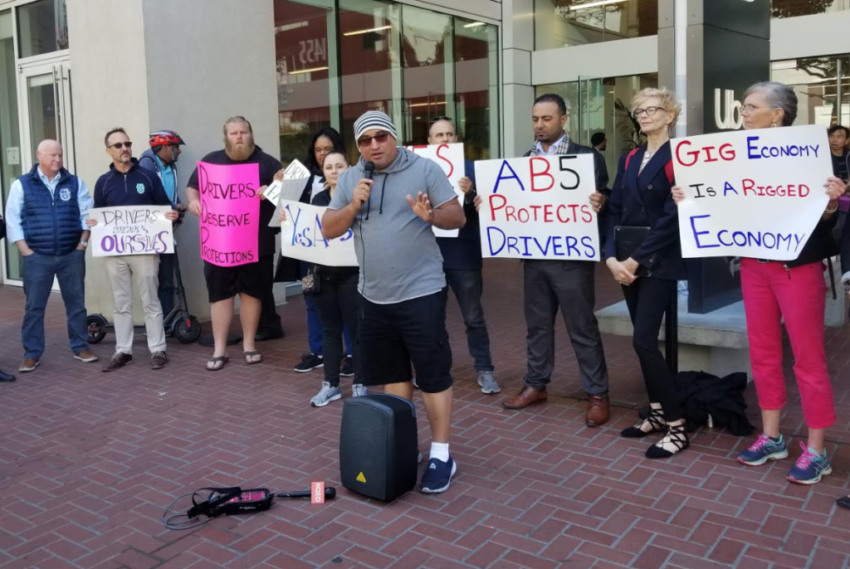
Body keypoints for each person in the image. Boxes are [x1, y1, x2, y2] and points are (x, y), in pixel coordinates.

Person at [673, 82, 845, 484]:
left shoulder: (811, 157)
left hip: (797, 269)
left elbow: (824, 220)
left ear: (777, 114)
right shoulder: (734, 157)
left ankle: (817, 450)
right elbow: (721, 200)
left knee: (807, 358)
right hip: (754, 266)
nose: (744, 113)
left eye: (751, 107)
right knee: (763, 353)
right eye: (743, 107)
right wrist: (690, 197)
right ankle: (772, 436)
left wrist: (831, 205)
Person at [321, 111, 466, 493]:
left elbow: (458, 216)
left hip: (422, 292)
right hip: (373, 295)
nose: (374, 145)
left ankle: (441, 455)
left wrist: (431, 215)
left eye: (380, 137)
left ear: (393, 137)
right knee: (394, 375)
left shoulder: (424, 169)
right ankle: (404, 443)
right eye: (365, 140)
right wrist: (353, 205)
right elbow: (328, 228)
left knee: (432, 375)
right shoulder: (351, 178)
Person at [499, 93, 612, 429]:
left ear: (564, 119)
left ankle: (598, 394)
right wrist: (488, 205)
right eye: (535, 119)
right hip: (535, 258)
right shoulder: (524, 160)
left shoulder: (587, 157)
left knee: (582, 327)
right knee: (537, 326)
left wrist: (601, 201)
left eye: (547, 119)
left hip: (572, 259)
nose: (539, 125)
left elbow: (607, 196)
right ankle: (536, 384)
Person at [606, 88, 688, 459]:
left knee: (643, 341)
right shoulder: (629, 158)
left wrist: (635, 260)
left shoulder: (681, 156)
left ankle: (676, 426)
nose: (644, 115)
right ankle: (655, 412)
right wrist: (611, 257)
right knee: (643, 341)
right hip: (627, 262)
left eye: (652, 109)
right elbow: (616, 209)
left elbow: (673, 218)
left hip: (658, 262)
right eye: (639, 110)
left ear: (670, 115)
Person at [186, 116, 281, 371]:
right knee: (220, 295)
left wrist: (272, 189)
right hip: (220, 244)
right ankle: (220, 349)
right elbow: (193, 187)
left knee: (252, 294)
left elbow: (287, 190)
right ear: (226, 137)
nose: (239, 136)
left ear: (251, 134)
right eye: (233, 133)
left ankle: (249, 344)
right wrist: (194, 201)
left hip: (257, 242)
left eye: (243, 132)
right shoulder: (211, 161)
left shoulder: (268, 162)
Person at [280, 150, 366, 406]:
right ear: (324, 173)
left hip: (352, 275)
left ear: (349, 169)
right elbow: (305, 230)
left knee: (356, 331)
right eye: (329, 167)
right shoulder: (317, 199)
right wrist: (288, 220)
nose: (334, 171)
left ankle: (361, 383)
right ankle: (330, 384)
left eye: (340, 166)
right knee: (330, 331)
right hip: (322, 276)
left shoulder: (357, 198)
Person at [88, 128, 178, 372]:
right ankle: (123, 351)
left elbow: (164, 206)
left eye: (127, 143)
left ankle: (157, 348)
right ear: (109, 151)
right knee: (121, 302)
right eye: (118, 145)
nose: (124, 148)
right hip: (115, 253)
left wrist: (170, 215)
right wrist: (94, 222)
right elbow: (99, 212)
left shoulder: (148, 176)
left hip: (145, 250)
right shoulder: (103, 182)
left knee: (151, 300)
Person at [5, 139, 97, 374]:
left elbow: (87, 215)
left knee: (76, 304)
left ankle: (80, 347)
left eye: (60, 155)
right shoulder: (22, 184)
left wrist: (82, 244)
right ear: (39, 155)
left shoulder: (75, 183)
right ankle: (32, 353)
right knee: (34, 307)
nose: (57, 159)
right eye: (52, 155)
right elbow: (12, 219)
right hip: (37, 257)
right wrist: (25, 251)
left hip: (71, 254)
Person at [427, 116, 499, 394]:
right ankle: (436, 369)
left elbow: (488, 209)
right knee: (432, 318)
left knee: (473, 316)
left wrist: (471, 194)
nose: (444, 139)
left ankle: (485, 369)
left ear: (456, 138)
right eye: (439, 135)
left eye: (449, 134)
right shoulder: (419, 169)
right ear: (430, 141)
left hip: (464, 255)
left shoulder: (472, 170)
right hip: (430, 255)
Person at [275, 127, 353, 374]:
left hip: (344, 254)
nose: (323, 154)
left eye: (328, 149)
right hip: (309, 254)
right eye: (318, 150)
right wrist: (281, 198)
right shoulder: (301, 178)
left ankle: (352, 354)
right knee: (312, 300)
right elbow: (287, 209)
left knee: (348, 303)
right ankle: (318, 351)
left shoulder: (352, 180)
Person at [138, 130, 187, 324]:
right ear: (165, 147)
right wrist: (174, 206)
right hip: (150, 230)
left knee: (167, 277)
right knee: (152, 278)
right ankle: (157, 322)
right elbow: (149, 197)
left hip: (166, 227)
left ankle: (168, 320)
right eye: (176, 147)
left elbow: (169, 192)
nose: (179, 151)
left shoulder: (171, 166)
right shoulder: (146, 165)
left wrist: (178, 204)